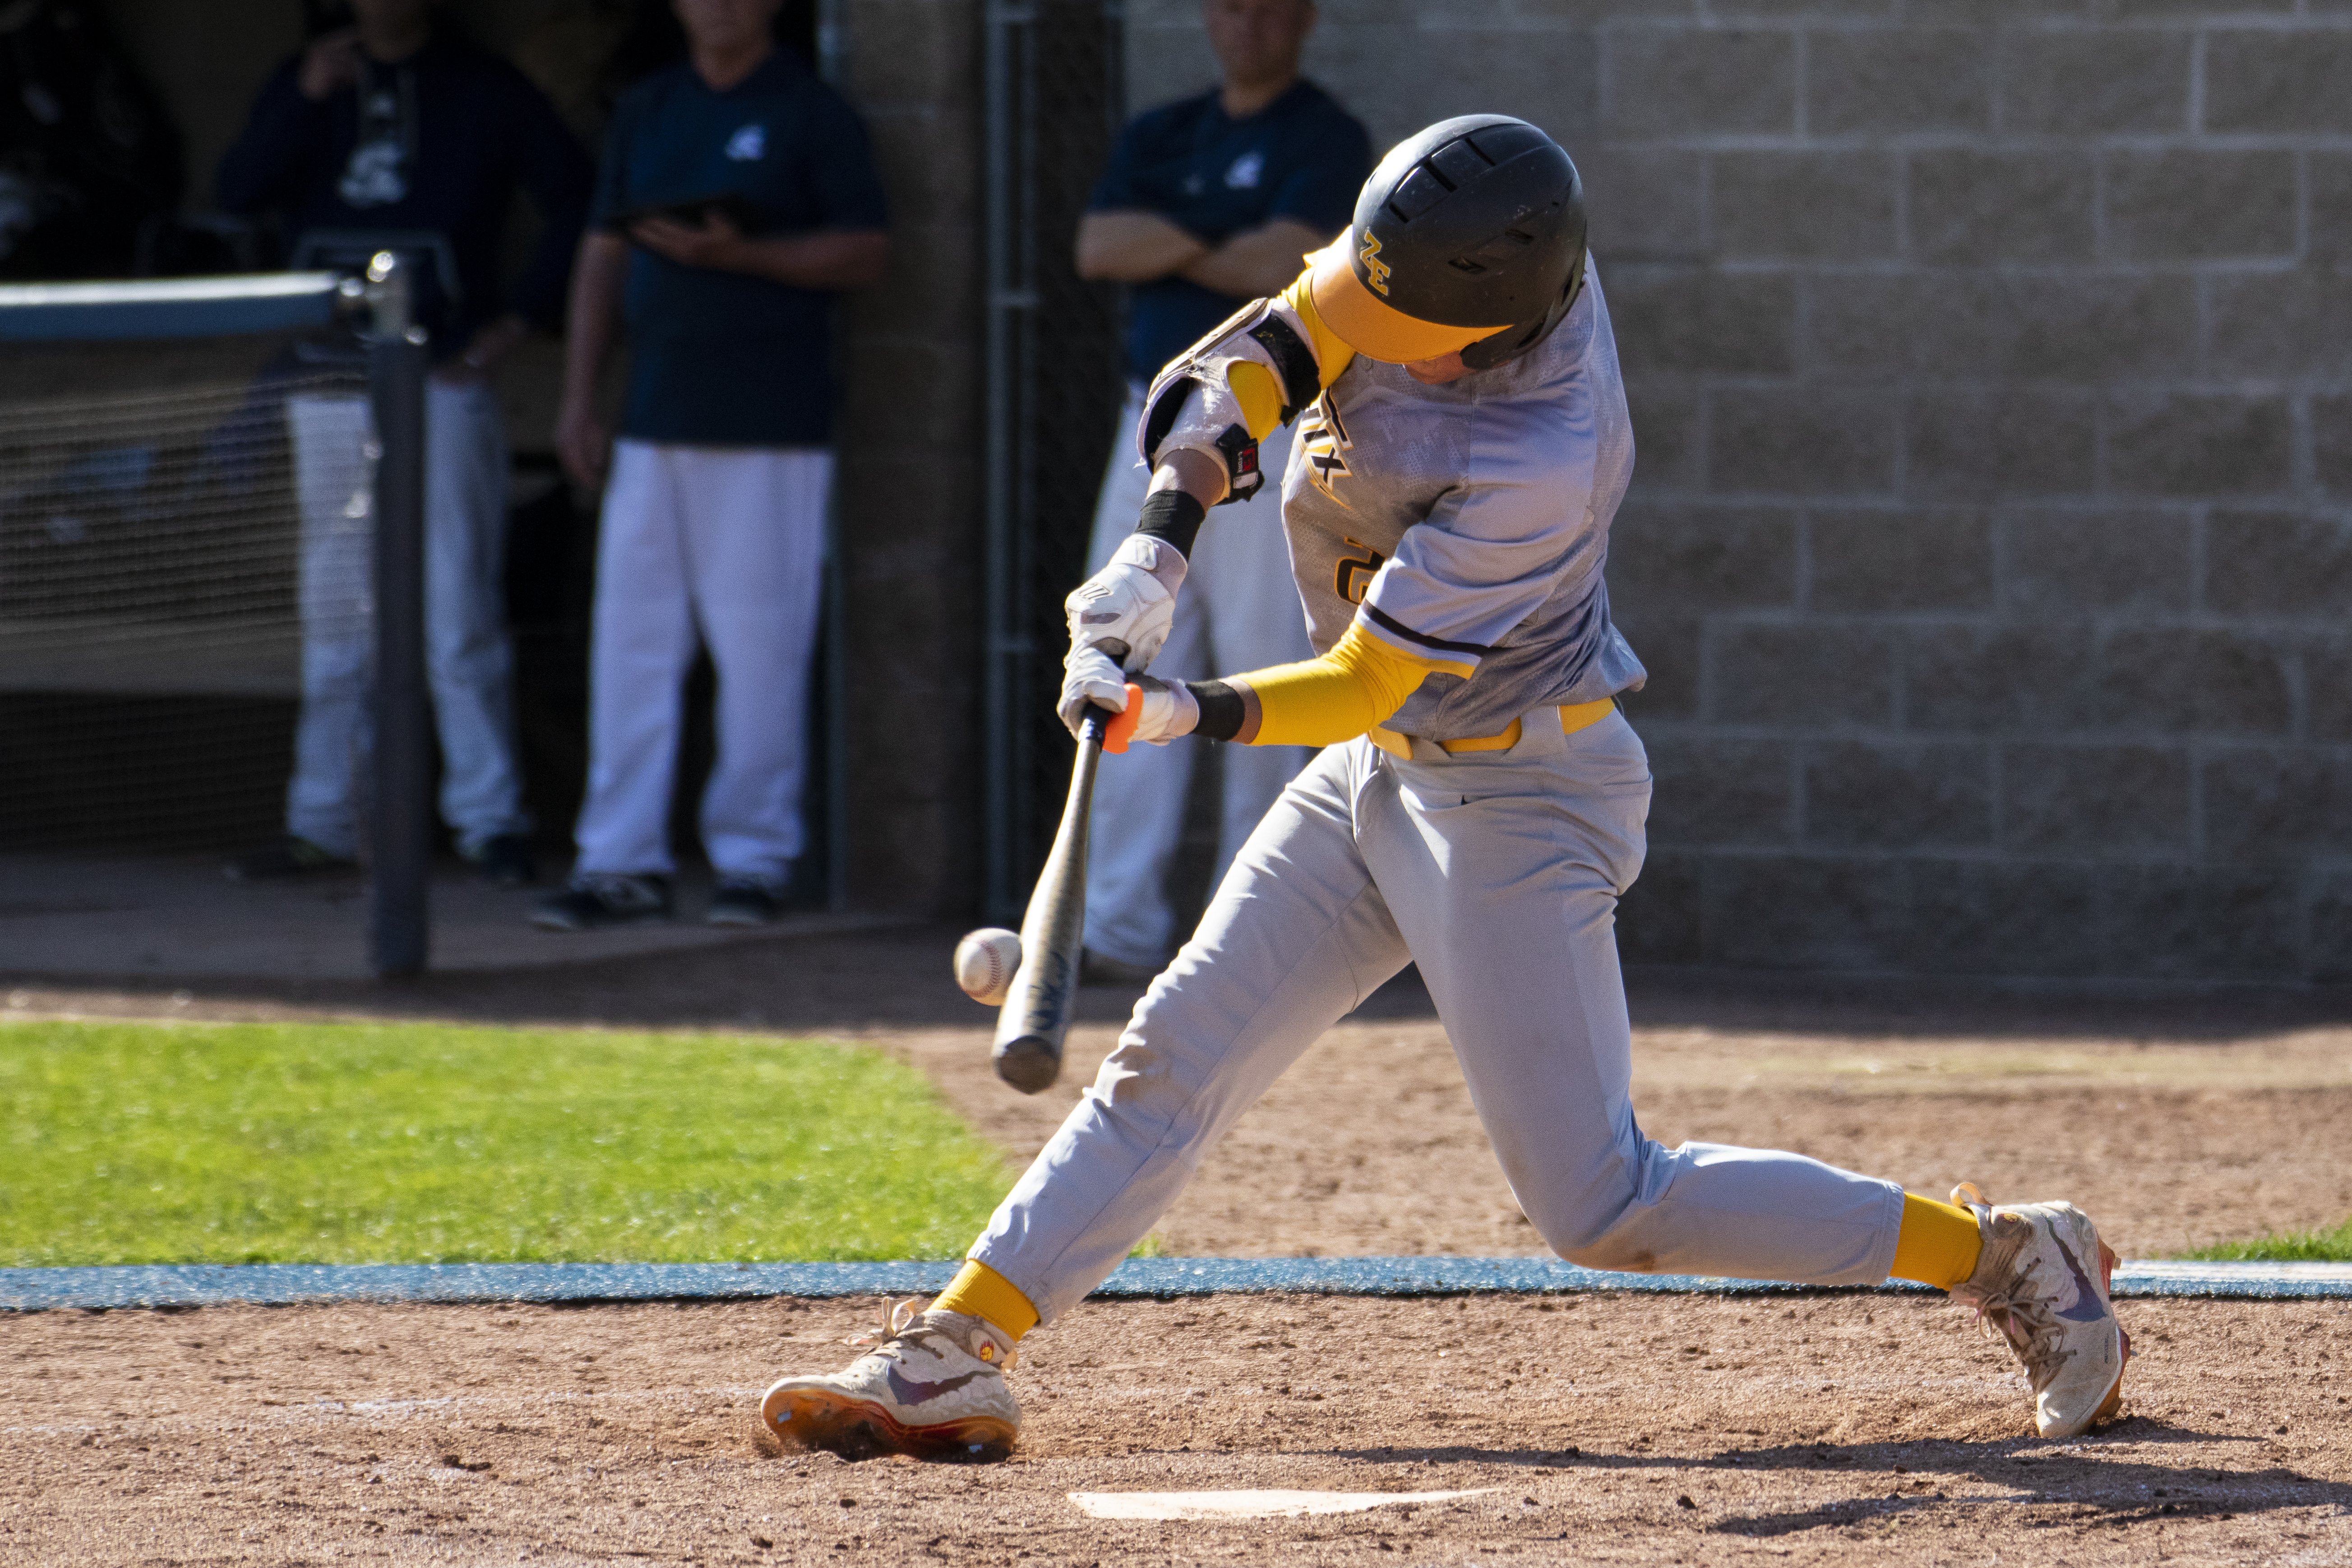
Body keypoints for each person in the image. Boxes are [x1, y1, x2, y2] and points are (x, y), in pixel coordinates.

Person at [759, 117, 2132, 1459]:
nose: (1367, 323)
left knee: (1601, 1205)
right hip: (1380, 776)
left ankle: (2008, 1253)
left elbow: (1363, 682)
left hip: (1524, 796)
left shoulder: (1541, 454)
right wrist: (1155, 552)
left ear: (1499, 316)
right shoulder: (1440, 259)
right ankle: (952, 1347)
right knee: (1170, 1051)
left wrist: (1182, 708)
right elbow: (1252, 363)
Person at [218, 0, 593, 888]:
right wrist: (305, 99)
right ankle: (327, 821)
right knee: (338, 613)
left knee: (456, 609)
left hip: (440, 376)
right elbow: (234, 193)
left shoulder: (485, 88)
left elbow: (582, 205)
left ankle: (490, 821)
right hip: (327, 379)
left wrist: (509, 331)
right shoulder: (307, 80)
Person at [533, 0, 887, 932]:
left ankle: (754, 862)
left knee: (759, 648)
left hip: (768, 429)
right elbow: (602, 255)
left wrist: (745, 254)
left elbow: (866, 248)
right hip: (653, 423)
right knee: (632, 647)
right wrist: (580, 399)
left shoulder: (812, 111)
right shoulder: (650, 108)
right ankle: (619, 862)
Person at [1070, 0, 1370, 983]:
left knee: (1260, 673)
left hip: (1266, 438)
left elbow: (1276, 267)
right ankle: (1116, 923)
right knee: (1122, 652)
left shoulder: (1326, 135)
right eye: (1232, 3)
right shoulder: (1163, 130)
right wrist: (1220, 241)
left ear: (1305, 18)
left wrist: (1183, 239)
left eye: (1271, 4)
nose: (1249, 22)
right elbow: (1099, 246)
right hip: (1148, 427)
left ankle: (1253, 936)